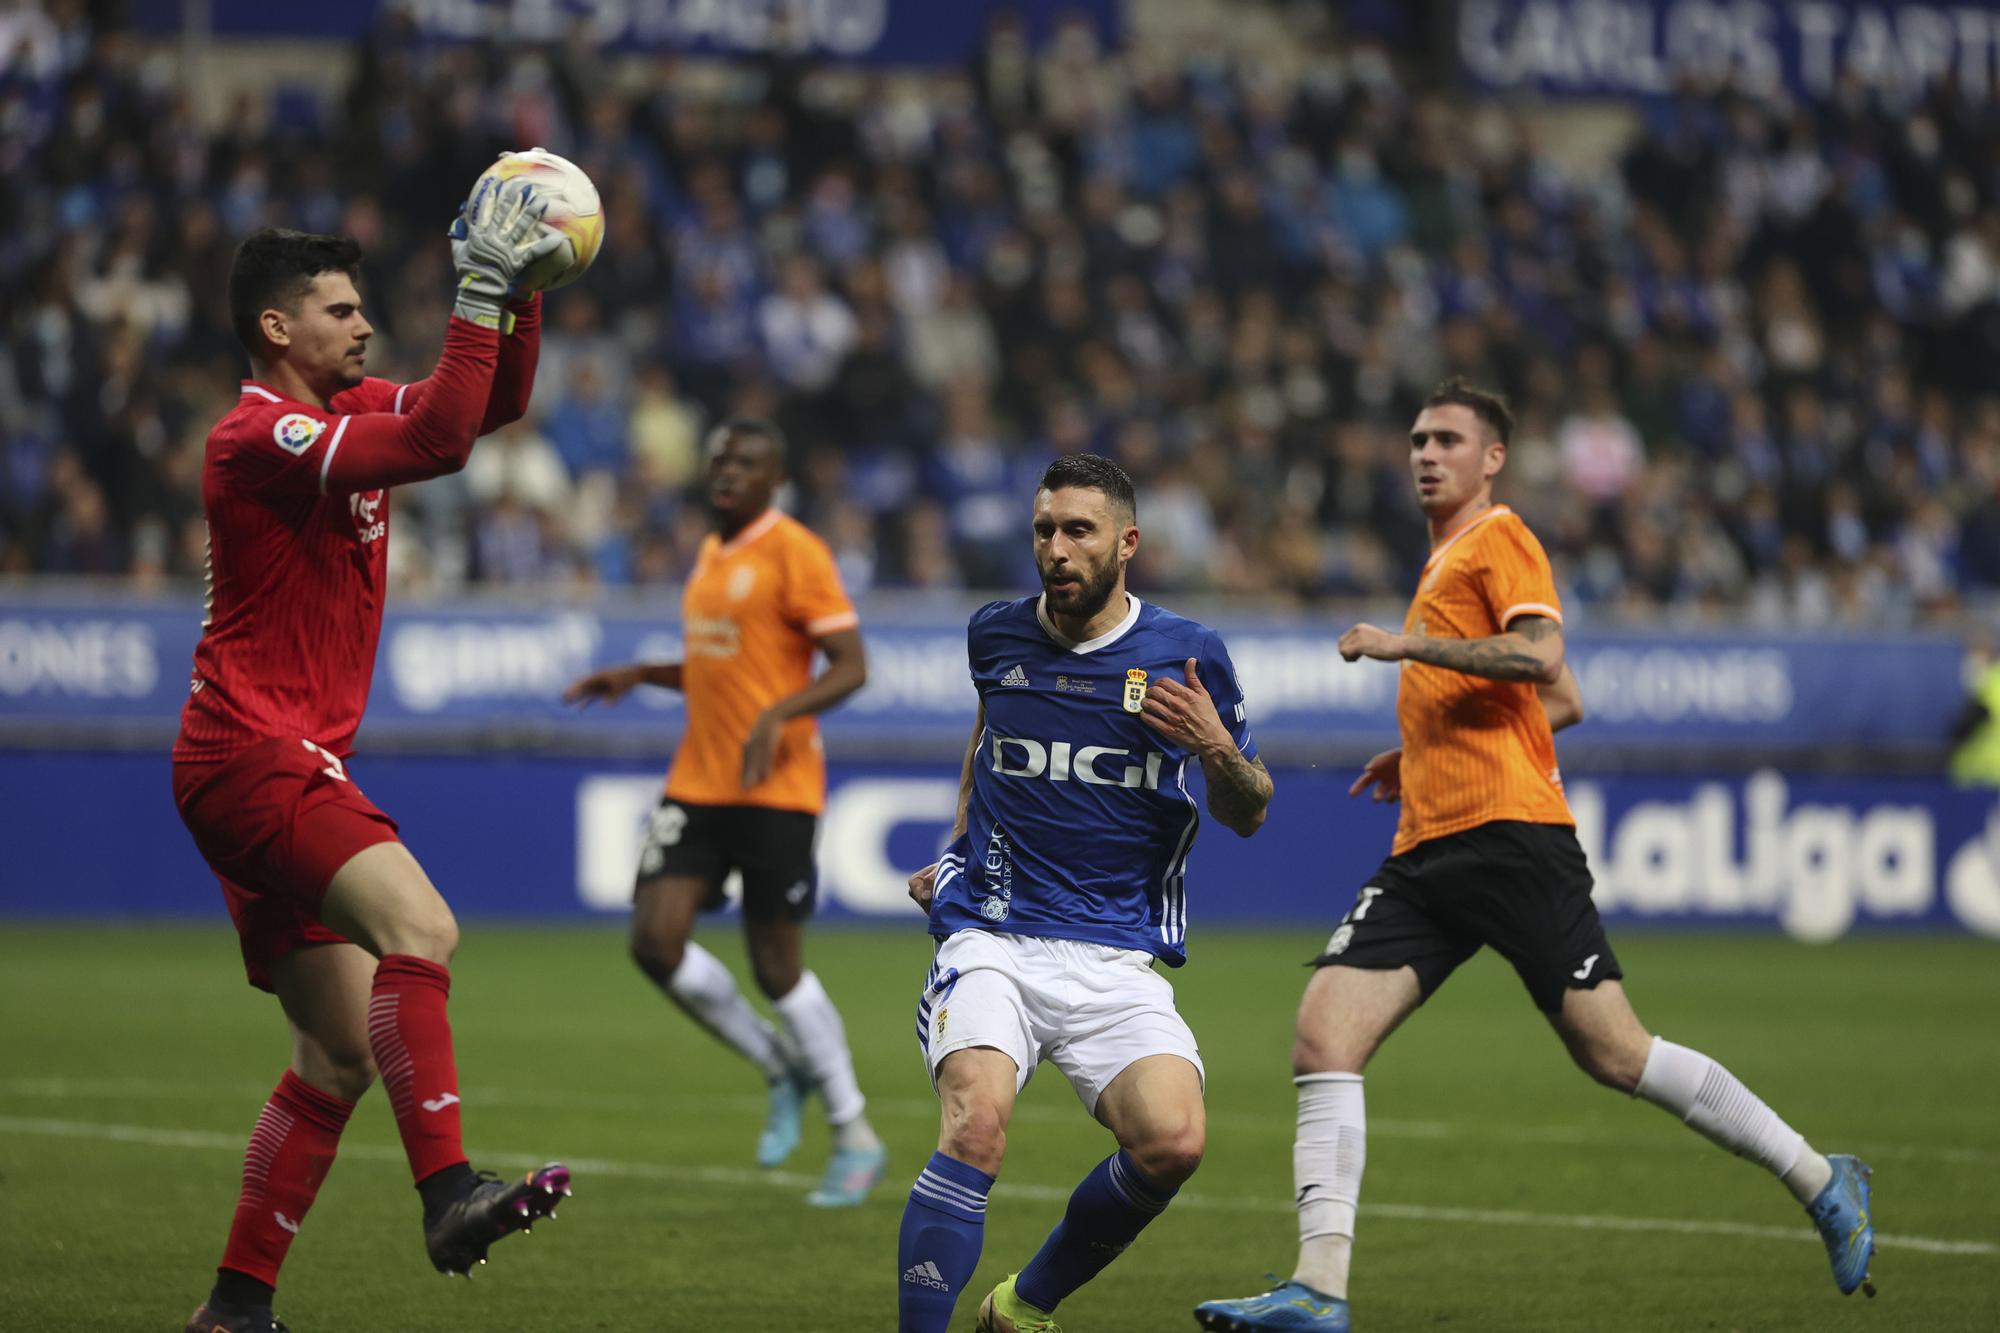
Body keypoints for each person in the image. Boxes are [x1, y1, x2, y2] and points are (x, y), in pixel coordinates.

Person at [1194, 379, 1875, 1333]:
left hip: (1512, 836)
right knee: (1324, 1034)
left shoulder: (1498, 539)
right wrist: (1423, 746)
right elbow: (1562, 707)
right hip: (1430, 848)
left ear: (1492, 458)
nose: (1425, 453)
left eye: (1447, 439)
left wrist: (1407, 650)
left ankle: (1818, 1174)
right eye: (1418, 439)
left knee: (1615, 1050)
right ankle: (1318, 1289)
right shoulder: (1443, 561)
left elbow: (1544, 661)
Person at [171, 174, 575, 1333]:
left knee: (337, 1054)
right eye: (340, 311)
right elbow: (444, 439)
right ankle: (449, 1193)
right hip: (253, 750)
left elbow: (482, 409)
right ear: (276, 329)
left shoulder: (340, 416)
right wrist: (480, 287)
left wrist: (525, 293)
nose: (362, 325)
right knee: (424, 929)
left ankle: (234, 1309)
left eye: (361, 308)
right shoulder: (261, 432)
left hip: (248, 759)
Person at [899, 453, 1274, 1333]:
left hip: (1114, 951)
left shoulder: (1188, 654)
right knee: (977, 1124)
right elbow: (989, 736)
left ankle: (1021, 1306)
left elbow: (1250, 811)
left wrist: (1218, 748)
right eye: (1044, 529)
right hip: (994, 933)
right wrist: (957, 844)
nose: (1056, 549)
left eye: (1078, 530)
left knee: (1173, 1142)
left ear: (1127, 543)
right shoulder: (994, 634)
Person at [563, 419, 887, 1206]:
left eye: (746, 462)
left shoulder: (795, 551)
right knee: (654, 939)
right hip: (700, 781)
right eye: (719, 460)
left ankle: (854, 1132)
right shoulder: (710, 554)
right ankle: (777, 1066)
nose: (727, 472)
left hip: (776, 787)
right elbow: (722, 667)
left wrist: (778, 717)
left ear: (775, 477)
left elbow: (851, 666)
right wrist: (641, 672)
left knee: (777, 967)